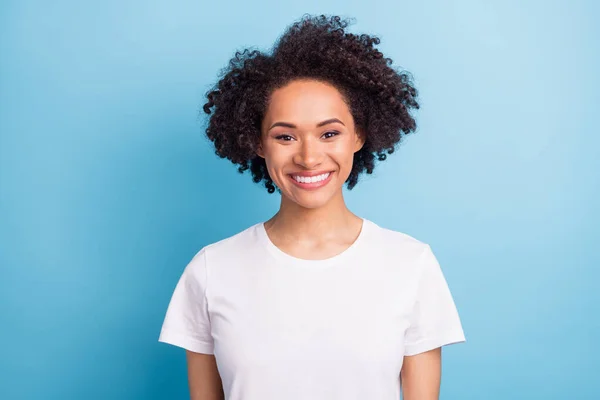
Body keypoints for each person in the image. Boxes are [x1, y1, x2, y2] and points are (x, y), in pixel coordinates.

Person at [159, 14, 465, 400]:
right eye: (285, 136)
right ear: (257, 143)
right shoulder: (210, 270)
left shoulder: (411, 264)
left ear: (359, 135)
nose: (308, 156)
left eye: (329, 133)